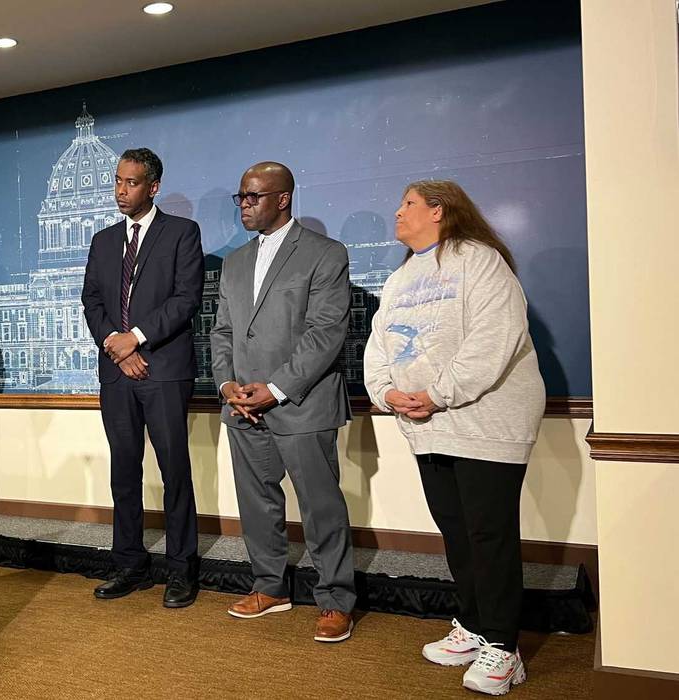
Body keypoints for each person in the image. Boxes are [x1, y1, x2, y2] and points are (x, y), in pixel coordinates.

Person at [364, 180, 544, 696]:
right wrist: (385, 391)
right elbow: (379, 345)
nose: (397, 212)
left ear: (439, 211)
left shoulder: (480, 260)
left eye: (409, 204)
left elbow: (496, 338)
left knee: (489, 536)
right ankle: (474, 624)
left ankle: (504, 650)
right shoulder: (402, 276)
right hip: (428, 425)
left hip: (486, 423)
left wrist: (439, 393)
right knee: (457, 532)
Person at [210, 161, 356, 642]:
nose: (244, 205)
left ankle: (335, 599)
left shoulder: (325, 254)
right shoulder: (233, 263)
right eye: (241, 197)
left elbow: (325, 335)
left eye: (252, 196)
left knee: (321, 507)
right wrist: (227, 386)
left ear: (283, 198)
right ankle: (269, 587)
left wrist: (272, 390)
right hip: (242, 406)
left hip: (302, 404)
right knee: (257, 504)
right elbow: (224, 333)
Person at [81, 148, 205, 608]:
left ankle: (181, 569)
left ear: (152, 187)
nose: (120, 190)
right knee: (124, 472)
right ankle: (129, 564)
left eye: (130, 183)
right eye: (117, 181)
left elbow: (185, 298)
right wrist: (116, 343)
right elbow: (91, 301)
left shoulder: (181, 233)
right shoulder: (103, 240)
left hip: (164, 370)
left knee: (174, 471)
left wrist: (135, 337)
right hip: (117, 373)